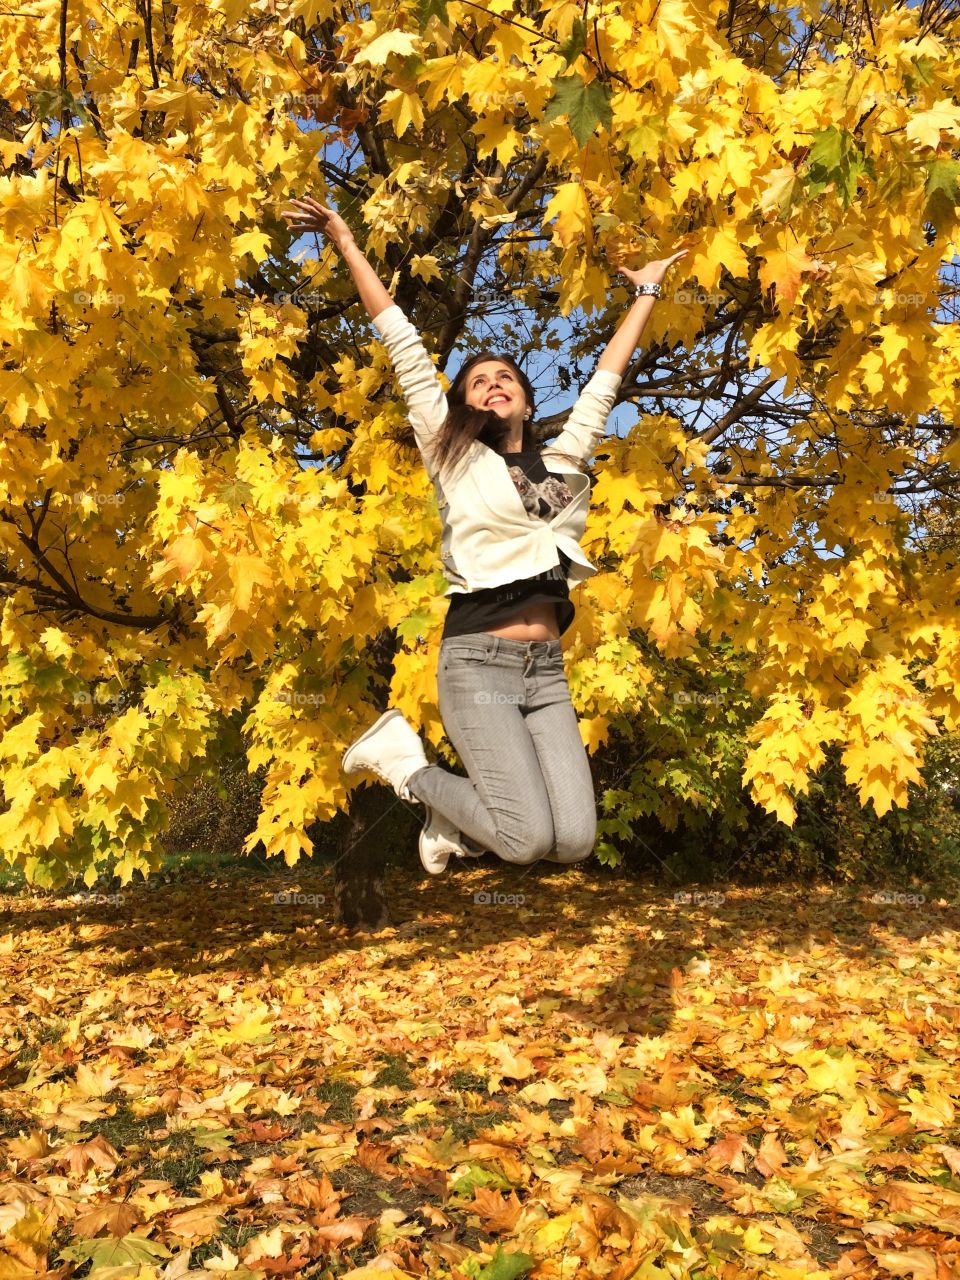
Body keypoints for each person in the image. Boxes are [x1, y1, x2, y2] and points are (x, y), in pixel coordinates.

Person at [281, 194, 687, 875]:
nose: (493, 385)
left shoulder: (563, 462)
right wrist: (347, 244)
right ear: (465, 403)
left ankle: (448, 815)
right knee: (525, 841)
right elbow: (404, 346)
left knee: (574, 842)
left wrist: (646, 291)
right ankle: (406, 767)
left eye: (505, 379)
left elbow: (605, 383)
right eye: (478, 382)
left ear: (526, 399)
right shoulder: (455, 458)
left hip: (547, 671)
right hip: (478, 660)